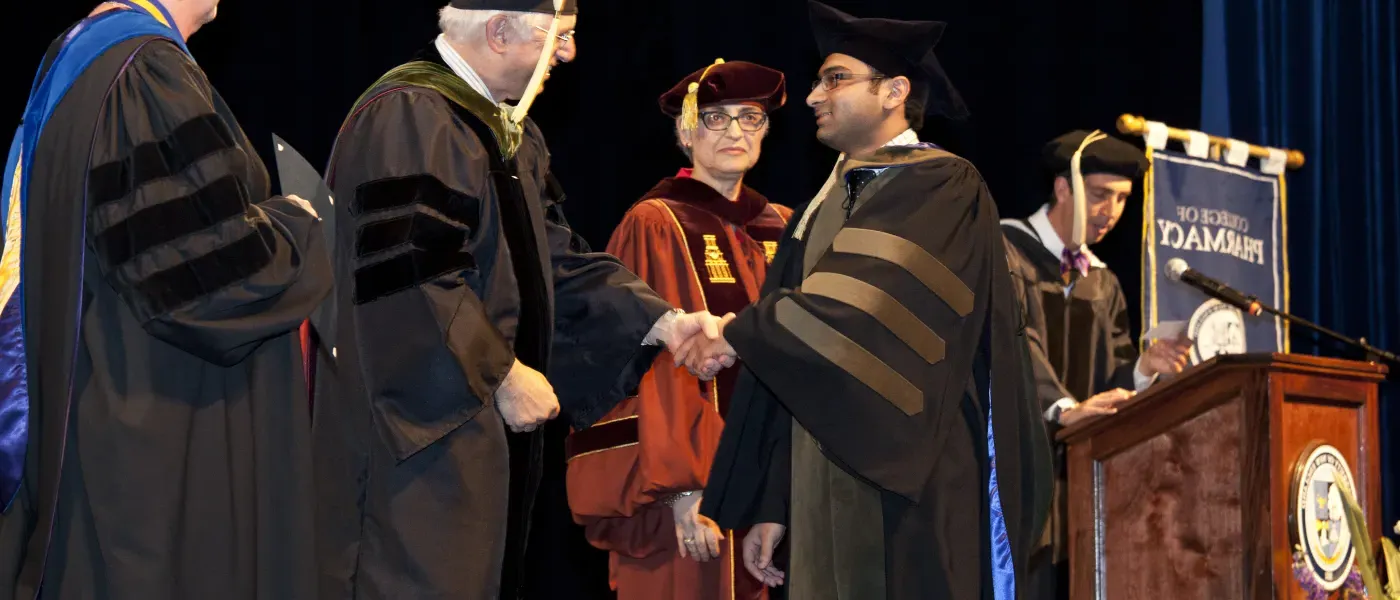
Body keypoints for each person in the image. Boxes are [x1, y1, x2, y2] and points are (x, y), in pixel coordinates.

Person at [313, 2, 731, 598]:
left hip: (477, 429)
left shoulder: (506, 130)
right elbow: (407, 274)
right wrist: (501, 373)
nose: (569, 54)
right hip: (418, 434)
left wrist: (662, 323)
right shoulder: (412, 114)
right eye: (560, 36)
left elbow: (551, 257)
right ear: (500, 31)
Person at [679, 2, 1053, 599]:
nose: (811, 97)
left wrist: (733, 332)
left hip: (912, 477)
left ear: (894, 91)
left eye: (835, 79)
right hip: (820, 475)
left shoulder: (941, 183)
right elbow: (795, 365)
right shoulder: (818, 206)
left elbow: (860, 309)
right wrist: (776, 500)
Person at [0, 0, 332, 597]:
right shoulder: (144, 71)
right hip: (161, 432)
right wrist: (297, 227)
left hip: (106, 404)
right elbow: (203, 282)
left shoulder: (89, 53)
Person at [565, 59, 792, 600]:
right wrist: (680, 488)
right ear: (686, 132)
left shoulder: (784, 225)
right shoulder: (656, 222)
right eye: (715, 118)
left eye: (750, 117)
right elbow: (639, 363)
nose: (735, 131)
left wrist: (781, 492)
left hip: (775, 493)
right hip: (687, 489)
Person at [1000, 130, 1192, 599]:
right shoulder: (1005, 250)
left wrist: (1145, 367)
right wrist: (1065, 409)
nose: (1112, 212)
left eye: (1123, 199)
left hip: (1080, 488)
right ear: (1064, 188)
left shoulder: (1102, 282)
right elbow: (1012, 342)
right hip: (1012, 476)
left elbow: (1113, 376)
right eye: (1101, 194)